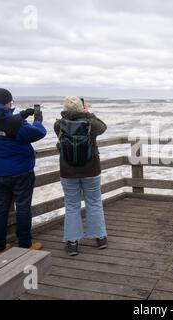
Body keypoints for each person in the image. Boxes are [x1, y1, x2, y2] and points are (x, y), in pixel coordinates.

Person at [0, 88, 47, 256]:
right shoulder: (12, 122)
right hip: (20, 172)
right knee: (23, 208)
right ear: (7, 103)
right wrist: (37, 119)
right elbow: (37, 133)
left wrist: (22, 114)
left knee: (0, 209)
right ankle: (25, 245)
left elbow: (1, 126)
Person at [54, 96, 108, 256]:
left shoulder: (59, 125)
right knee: (94, 203)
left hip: (68, 171)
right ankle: (100, 238)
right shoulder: (91, 123)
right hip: (91, 170)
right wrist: (88, 114)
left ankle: (72, 243)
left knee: (72, 206)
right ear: (81, 108)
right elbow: (103, 127)